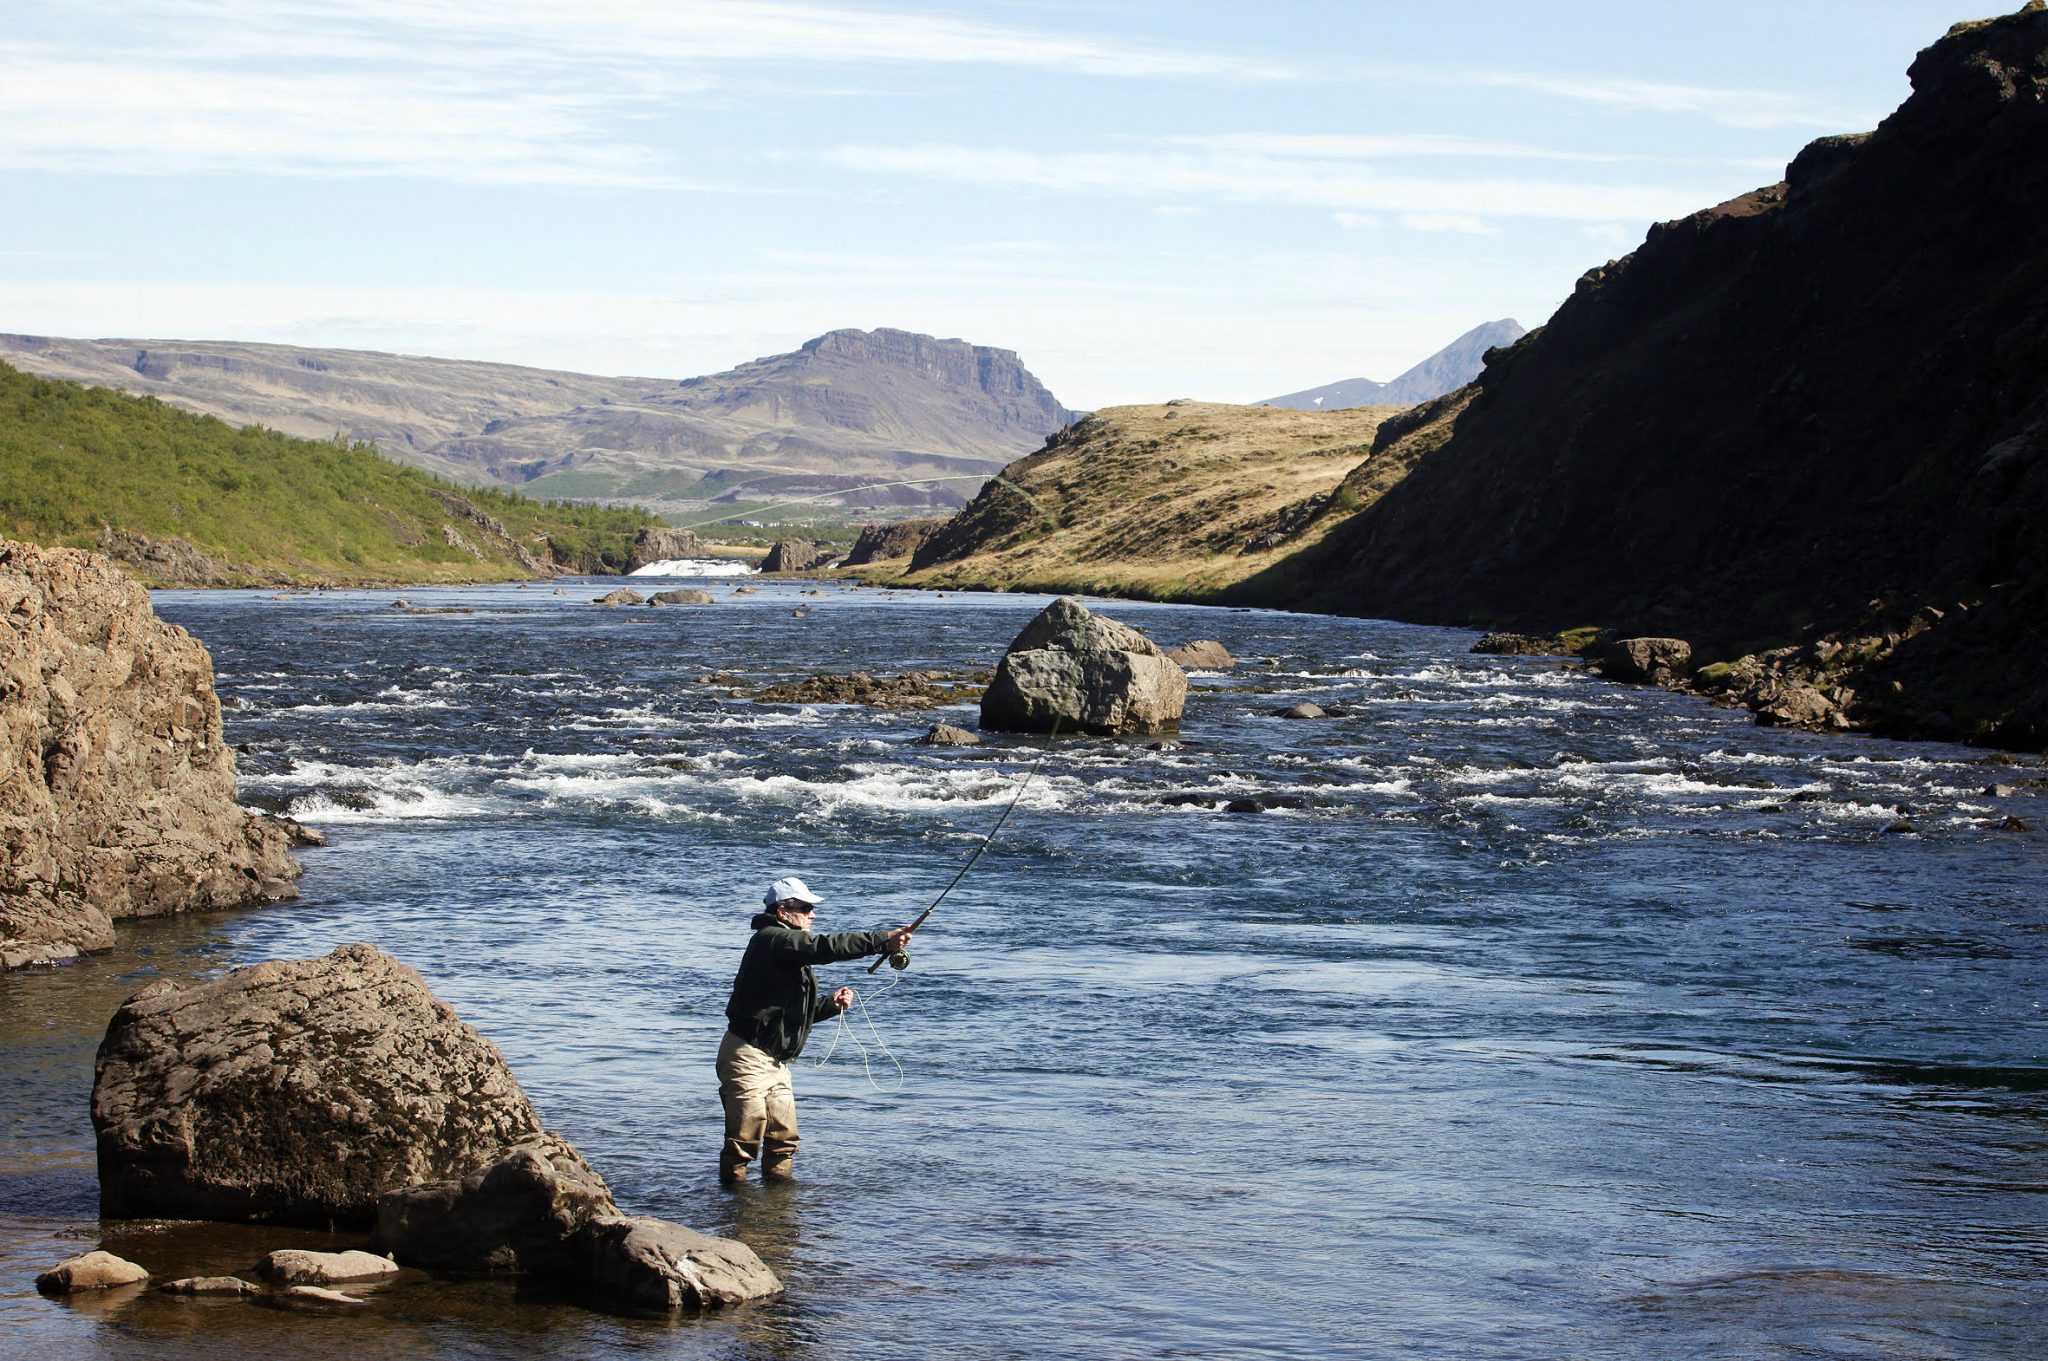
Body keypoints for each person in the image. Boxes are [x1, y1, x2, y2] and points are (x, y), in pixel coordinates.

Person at [717, 875, 913, 1183]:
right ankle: (731, 1206)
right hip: (747, 1057)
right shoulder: (772, 939)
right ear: (783, 912)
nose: (813, 914)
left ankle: (778, 1209)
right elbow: (824, 947)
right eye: (806, 907)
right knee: (744, 1141)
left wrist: (831, 1005)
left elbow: (792, 1012)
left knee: (784, 1140)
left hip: (776, 1064)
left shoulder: (786, 949)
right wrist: (881, 941)